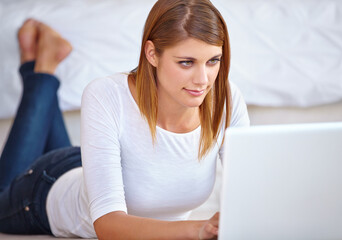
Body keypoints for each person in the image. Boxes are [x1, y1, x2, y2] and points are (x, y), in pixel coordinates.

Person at [0, 0, 250, 239]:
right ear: (152, 54)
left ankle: (37, 62)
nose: (203, 80)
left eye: (213, 61)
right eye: (186, 62)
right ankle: (42, 67)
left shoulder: (226, 98)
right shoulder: (106, 94)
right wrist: (198, 229)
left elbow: (251, 191)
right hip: (45, 188)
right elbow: (108, 226)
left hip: (95, 167)